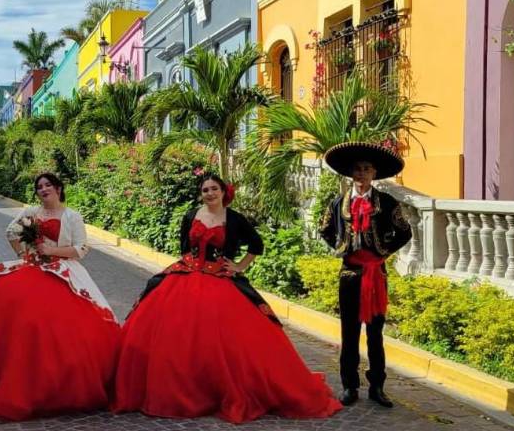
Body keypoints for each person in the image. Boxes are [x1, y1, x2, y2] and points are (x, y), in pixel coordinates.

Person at [113, 174, 342, 423]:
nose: (209, 193)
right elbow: (183, 248)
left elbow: (257, 244)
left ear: (224, 192)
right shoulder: (191, 215)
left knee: (229, 339)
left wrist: (239, 266)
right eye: (205, 190)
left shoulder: (234, 219)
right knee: (174, 333)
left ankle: (218, 388)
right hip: (185, 276)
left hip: (219, 279)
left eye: (214, 189)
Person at [0, 173, 120, 421]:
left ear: (59, 188)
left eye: (48, 185)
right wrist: (25, 252)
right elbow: (12, 231)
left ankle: (59, 386)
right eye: (39, 187)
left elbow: (81, 248)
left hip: (64, 270)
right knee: (6, 309)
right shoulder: (31, 212)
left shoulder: (72, 216)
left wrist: (51, 250)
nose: (43, 190)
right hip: (32, 267)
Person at [319, 141, 412, 408]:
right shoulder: (338, 203)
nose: (361, 174)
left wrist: (384, 253)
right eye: (357, 170)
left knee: (375, 333)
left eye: (366, 169)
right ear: (351, 174)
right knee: (349, 333)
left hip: (376, 275)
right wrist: (340, 246)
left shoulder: (386, 202)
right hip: (350, 274)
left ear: (374, 173)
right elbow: (325, 229)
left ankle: (377, 386)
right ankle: (349, 386)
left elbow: (405, 232)